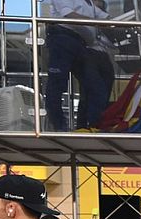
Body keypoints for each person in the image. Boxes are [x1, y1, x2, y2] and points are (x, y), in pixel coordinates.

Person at [44, 0, 113, 131]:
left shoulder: (89, 3)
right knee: (57, 83)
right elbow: (69, 15)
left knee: (96, 86)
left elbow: (105, 17)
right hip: (62, 37)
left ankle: (92, 126)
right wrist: (93, 22)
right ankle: (59, 126)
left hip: (80, 43)